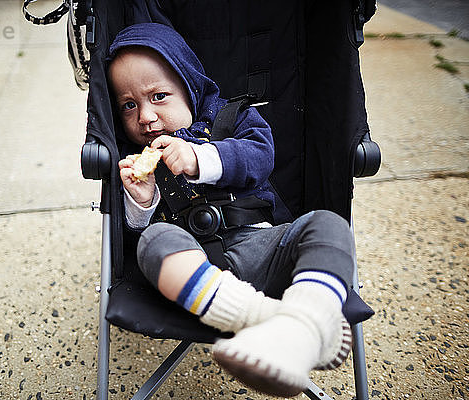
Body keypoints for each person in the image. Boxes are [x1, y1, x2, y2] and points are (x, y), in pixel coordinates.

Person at [108, 22, 354, 397]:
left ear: (189, 88)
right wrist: (141, 201)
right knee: (153, 241)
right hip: (197, 271)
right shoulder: (139, 162)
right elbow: (137, 232)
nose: (145, 116)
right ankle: (291, 325)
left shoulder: (231, 120)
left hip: (264, 247)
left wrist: (199, 157)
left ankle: (303, 317)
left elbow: (260, 156)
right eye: (129, 105)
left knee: (327, 226)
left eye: (158, 96)